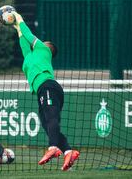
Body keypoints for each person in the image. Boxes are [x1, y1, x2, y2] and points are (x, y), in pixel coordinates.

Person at [11, 12, 80, 171]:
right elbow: (24, 40)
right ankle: (69, 151)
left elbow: (28, 34)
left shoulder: (44, 49)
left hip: (48, 86)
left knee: (51, 118)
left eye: (43, 42)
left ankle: (53, 147)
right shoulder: (30, 57)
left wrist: (18, 17)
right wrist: (16, 27)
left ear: (48, 47)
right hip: (43, 89)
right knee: (46, 124)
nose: (40, 42)